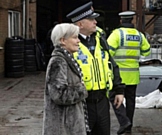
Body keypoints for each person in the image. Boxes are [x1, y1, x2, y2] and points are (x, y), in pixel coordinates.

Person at [66, 2, 125, 135]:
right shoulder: (69, 44)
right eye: (91, 19)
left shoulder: (100, 39)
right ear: (80, 24)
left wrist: (119, 90)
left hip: (102, 100)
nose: (95, 22)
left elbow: (111, 64)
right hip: (82, 102)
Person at [107, 11, 151, 134]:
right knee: (130, 100)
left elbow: (108, 52)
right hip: (133, 75)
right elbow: (146, 51)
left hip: (119, 76)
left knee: (113, 97)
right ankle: (129, 125)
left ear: (121, 20)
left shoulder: (117, 34)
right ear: (132, 20)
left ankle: (124, 122)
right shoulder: (139, 35)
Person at [42, 23, 89, 135]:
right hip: (63, 128)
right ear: (63, 40)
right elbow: (59, 94)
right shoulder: (58, 61)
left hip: (69, 126)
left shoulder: (67, 59)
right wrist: (81, 89)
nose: (78, 41)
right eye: (75, 37)